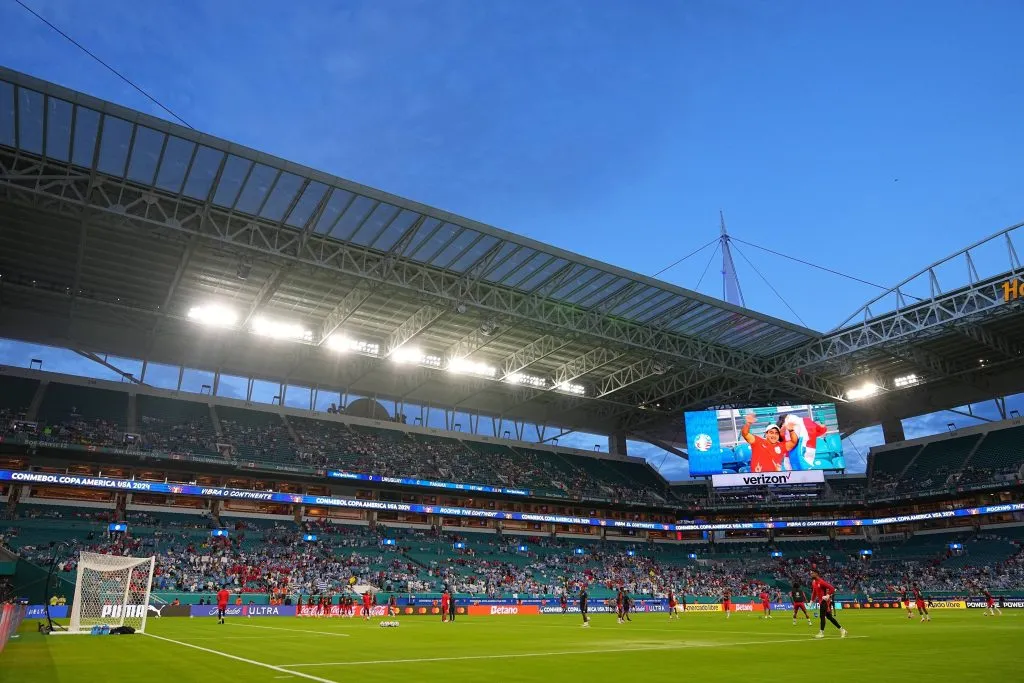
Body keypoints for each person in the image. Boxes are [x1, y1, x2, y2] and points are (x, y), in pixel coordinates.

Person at [811, 570, 847, 639]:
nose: (811, 574)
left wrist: (827, 595)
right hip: (821, 602)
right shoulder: (814, 582)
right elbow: (814, 592)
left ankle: (821, 633)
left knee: (822, 617)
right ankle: (842, 630)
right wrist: (811, 600)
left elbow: (832, 589)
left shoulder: (821, 582)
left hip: (824, 602)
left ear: (816, 574)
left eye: (812, 573)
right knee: (829, 617)